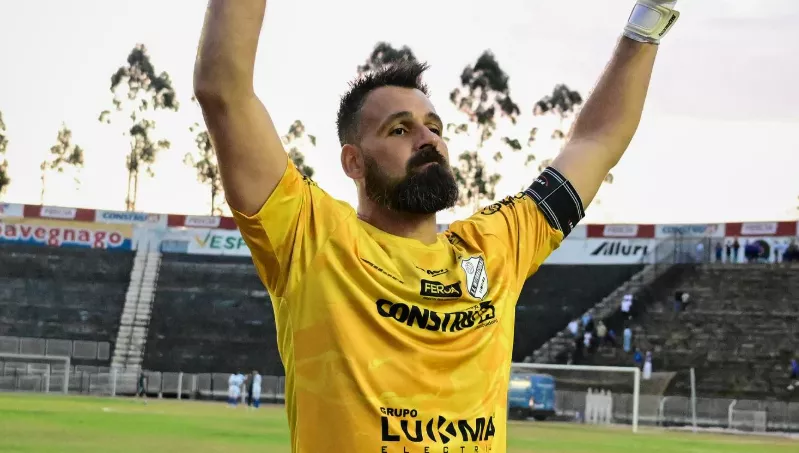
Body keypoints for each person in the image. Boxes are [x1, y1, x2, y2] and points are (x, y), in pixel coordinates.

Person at [194, 0, 681, 450]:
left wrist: (652, 14)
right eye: (400, 129)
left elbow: (596, 140)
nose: (428, 139)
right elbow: (224, 92)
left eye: (435, 126)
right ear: (354, 162)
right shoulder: (312, 238)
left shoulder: (496, 246)